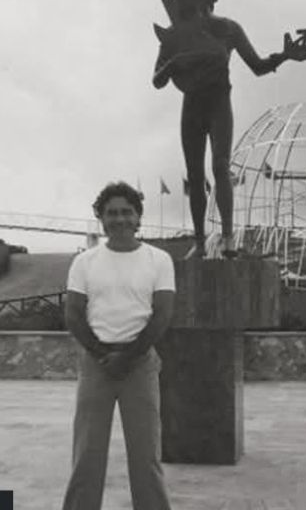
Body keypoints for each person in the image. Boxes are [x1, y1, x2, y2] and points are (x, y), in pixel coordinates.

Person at [152, 0, 306, 259]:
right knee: (194, 171)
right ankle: (201, 241)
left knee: (220, 165)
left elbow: (257, 66)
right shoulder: (176, 31)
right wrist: (177, 62)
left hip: (218, 101)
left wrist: (284, 56)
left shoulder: (228, 29)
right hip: (192, 105)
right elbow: (157, 80)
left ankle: (228, 237)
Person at [61, 182, 175, 510]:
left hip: (140, 364)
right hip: (96, 363)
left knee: (146, 455)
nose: (120, 219)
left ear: (139, 216)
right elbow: (73, 314)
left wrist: (129, 357)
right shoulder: (85, 262)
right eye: (112, 213)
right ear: (101, 218)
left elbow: (163, 313)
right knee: (87, 454)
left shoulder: (159, 259)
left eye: (127, 212)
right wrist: (101, 354)